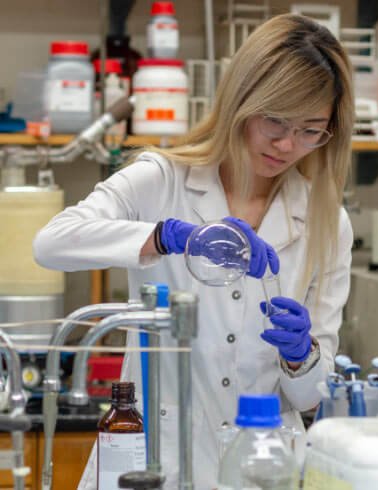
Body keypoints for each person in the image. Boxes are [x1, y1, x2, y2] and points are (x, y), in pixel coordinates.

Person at [33, 13, 354, 490]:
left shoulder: (328, 220)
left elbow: (314, 396)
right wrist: (165, 235)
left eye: (311, 130)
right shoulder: (161, 179)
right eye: (276, 121)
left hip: (265, 462)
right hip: (155, 450)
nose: (288, 144)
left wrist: (301, 355)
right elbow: (52, 242)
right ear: (242, 101)